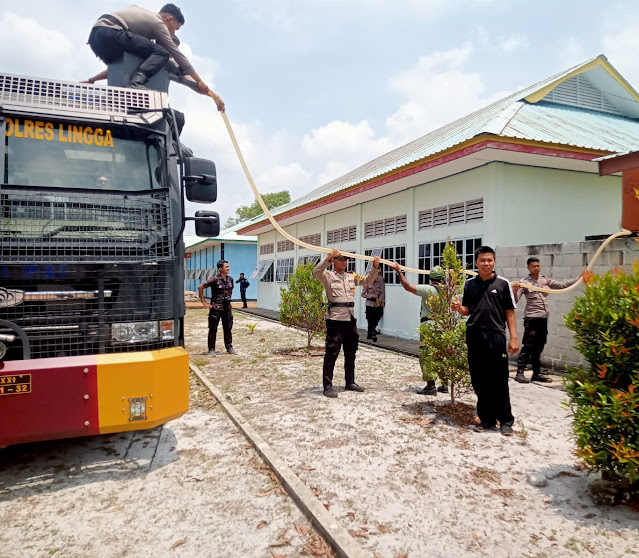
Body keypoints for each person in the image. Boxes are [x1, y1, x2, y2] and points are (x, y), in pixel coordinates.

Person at [86, 3, 224, 111]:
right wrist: (199, 80)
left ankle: (135, 82)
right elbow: (177, 57)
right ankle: (136, 84)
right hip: (112, 32)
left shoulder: (139, 15)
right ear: (169, 18)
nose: (171, 33)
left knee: (135, 62)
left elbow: (125, 65)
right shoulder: (158, 24)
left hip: (96, 37)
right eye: (174, 29)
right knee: (161, 53)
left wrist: (91, 80)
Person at [452, 246, 519, 436]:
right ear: (476, 262)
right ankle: (486, 420)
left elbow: (510, 312)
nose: (486, 263)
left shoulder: (503, 284)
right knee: (479, 380)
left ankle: (505, 421)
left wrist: (513, 337)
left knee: (499, 379)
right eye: (482, 260)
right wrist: (459, 308)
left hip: (496, 336)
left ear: (494, 261)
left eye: (489, 260)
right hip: (474, 336)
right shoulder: (469, 284)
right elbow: (468, 310)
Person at [313, 249, 381, 398]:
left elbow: (367, 280)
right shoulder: (328, 276)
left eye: (346, 259)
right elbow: (316, 272)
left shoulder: (351, 276)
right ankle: (327, 386)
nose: (344, 262)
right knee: (332, 353)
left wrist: (375, 267)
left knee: (351, 352)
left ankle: (350, 382)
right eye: (340, 259)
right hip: (335, 320)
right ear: (334, 262)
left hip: (350, 319)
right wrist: (327, 257)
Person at [512, 258, 584, 384]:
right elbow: (515, 300)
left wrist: (578, 278)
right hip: (532, 318)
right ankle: (520, 373)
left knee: (539, 346)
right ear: (528, 268)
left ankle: (536, 373)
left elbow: (562, 285)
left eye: (538, 266)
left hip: (543, 318)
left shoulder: (545, 280)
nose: (536, 268)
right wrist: (515, 288)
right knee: (528, 346)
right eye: (533, 266)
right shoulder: (524, 283)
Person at [391, 262, 448, 395]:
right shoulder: (447, 292)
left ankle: (430, 385)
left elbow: (407, 286)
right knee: (441, 354)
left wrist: (399, 272)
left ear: (431, 278)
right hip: (443, 327)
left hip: (429, 326)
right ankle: (444, 384)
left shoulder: (428, 290)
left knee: (426, 355)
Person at [198, 260, 236, 356]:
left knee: (228, 328)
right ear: (220, 269)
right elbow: (200, 287)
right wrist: (203, 302)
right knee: (213, 329)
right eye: (226, 267)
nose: (228, 268)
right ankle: (211, 349)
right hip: (216, 308)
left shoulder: (230, 279)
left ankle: (229, 347)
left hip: (227, 308)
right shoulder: (214, 279)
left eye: (228, 266)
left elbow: (230, 290)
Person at [361, 269, 385, 342]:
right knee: (370, 320)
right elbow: (363, 294)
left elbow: (382, 292)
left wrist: (380, 300)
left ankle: (371, 332)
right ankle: (372, 334)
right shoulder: (367, 282)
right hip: (369, 303)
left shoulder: (380, 280)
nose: (377, 278)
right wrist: (371, 296)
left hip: (377, 303)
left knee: (379, 314)